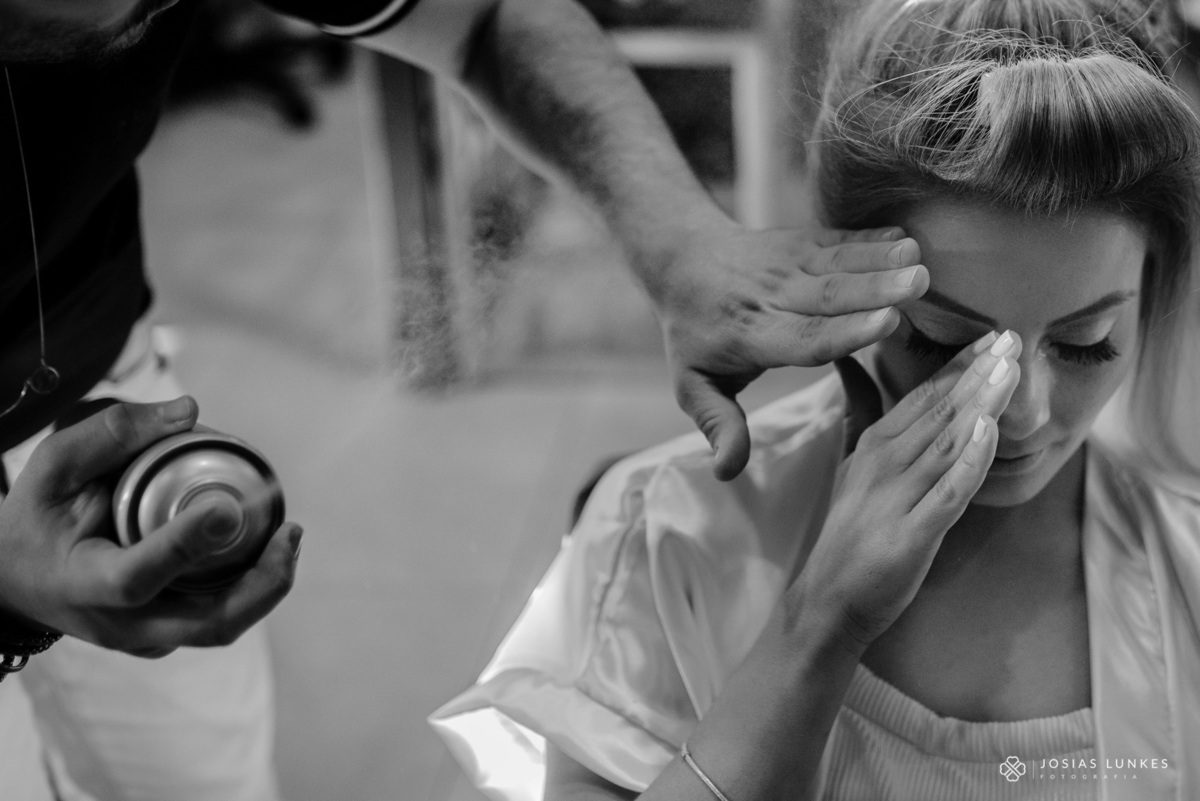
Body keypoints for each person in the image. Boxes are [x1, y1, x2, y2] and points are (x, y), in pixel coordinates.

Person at [0, 0, 928, 797]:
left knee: (196, 766)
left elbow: (482, 19)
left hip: (84, 352)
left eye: (1082, 341)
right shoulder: (640, 544)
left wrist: (677, 243)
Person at [430, 0, 1200, 799]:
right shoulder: (663, 545)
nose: (1024, 413)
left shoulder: (1187, 568)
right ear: (841, 279)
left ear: (1152, 294)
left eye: (1087, 343)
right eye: (944, 342)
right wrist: (817, 627)